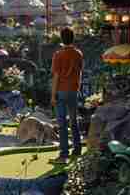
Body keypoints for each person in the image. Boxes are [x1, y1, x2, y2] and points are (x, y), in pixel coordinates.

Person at [49, 27, 83, 164]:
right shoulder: (78, 54)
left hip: (61, 91)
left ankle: (64, 154)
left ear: (61, 39)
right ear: (73, 38)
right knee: (74, 121)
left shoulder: (58, 54)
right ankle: (77, 149)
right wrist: (77, 88)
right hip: (74, 90)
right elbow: (80, 73)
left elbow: (56, 76)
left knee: (62, 123)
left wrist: (52, 95)